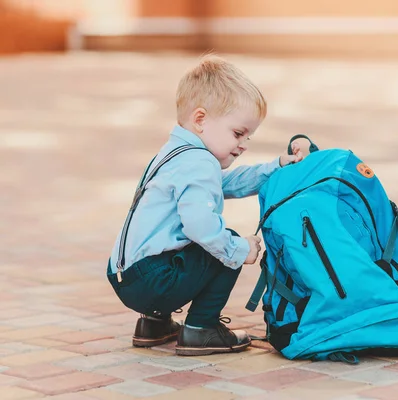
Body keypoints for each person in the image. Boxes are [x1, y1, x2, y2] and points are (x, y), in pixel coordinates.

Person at [106, 54, 304, 356]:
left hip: (126, 276)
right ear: (201, 120)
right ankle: (200, 328)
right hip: (153, 281)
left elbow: (228, 184)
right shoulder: (198, 162)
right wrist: (238, 249)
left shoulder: (177, 153)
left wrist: (275, 168)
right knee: (223, 245)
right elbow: (200, 226)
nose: (243, 144)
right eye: (238, 133)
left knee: (191, 249)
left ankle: (153, 324)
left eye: (248, 136)